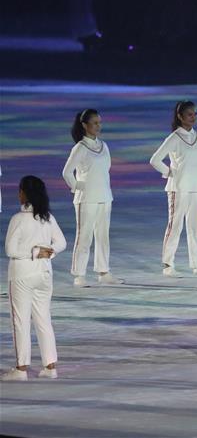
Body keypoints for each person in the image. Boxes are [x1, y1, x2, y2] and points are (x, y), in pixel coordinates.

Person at [2, 176, 66, 381]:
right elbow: (62, 242)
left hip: (22, 275)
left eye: (20, 190)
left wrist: (35, 251)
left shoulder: (18, 220)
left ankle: (21, 369)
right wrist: (50, 251)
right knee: (43, 319)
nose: (18, 194)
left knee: (20, 321)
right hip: (44, 275)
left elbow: (11, 250)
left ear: (24, 193)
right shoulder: (47, 218)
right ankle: (50, 366)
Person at [150, 100, 197, 277]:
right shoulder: (174, 138)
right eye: (189, 114)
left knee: (195, 226)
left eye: (195, 114)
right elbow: (155, 160)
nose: (193, 117)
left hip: (196, 187)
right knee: (175, 225)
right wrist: (170, 172)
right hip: (178, 188)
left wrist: (193, 169)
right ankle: (168, 264)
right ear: (180, 116)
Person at [62, 108, 122, 287]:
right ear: (84, 125)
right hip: (86, 199)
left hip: (104, 196)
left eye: (99, 122)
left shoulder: (104, 146)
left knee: (103, 236)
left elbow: (106, 169)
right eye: (94, 123)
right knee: (85, 236)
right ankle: (79, 275)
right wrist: (78, 186)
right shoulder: (80, 148)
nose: (98, 126)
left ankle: (103, 272)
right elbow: (66, 172)